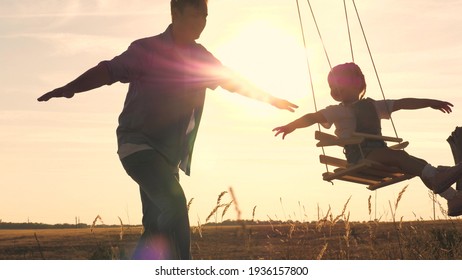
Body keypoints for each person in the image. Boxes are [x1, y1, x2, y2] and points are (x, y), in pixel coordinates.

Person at [38, 0, 298, 259]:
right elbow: (109, 70)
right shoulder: (147, 49)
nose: (201, 24)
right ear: (175, 13)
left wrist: (270, 99)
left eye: (205, 17)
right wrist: (71, 87)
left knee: (155, 228)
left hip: (168, 157)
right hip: (137, 146)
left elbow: (232, 81)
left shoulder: (200, 57)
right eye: (195, 17)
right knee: (174, 206)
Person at [273, 62, 462, 217]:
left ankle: (452, 198)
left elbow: (402, 103)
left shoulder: (374, 106)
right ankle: (438, 177)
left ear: (358, 84)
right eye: (332, 87)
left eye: (341, 84)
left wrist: (429, 102)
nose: (336, 89)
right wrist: (290, 126)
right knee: (401, 157)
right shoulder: (336, 111)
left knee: (417, 164)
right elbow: (312, 117)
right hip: (361, 157)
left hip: (378, 155)